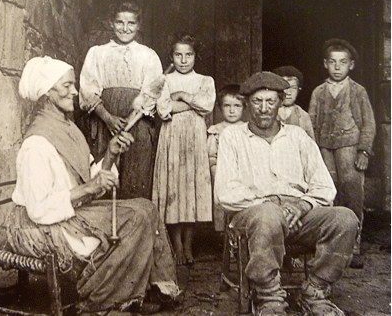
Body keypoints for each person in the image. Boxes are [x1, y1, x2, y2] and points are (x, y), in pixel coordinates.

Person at [0, 56, 179, 315]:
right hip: (41, 227)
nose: (74, 92)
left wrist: (111, 153)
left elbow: (87, 177)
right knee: (136, 219)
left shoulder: (67, 129)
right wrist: (89, 188)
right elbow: (39, 209)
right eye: (66, 86)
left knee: (146, 207)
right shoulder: (36, 143)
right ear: (47, 94)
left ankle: (157, 288)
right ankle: (99, 300)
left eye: (73, 85)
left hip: (67, 213)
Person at [214, 71, 359, 316]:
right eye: (257, 102)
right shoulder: (233, 137)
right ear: (247, 104)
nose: (264, 108)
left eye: (270, 101)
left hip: (298, 215)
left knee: (345, 219)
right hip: (253, 215)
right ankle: (268, 297)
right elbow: (225, 192)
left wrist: (302, 205)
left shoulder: (297, 136)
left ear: (281, 102)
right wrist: (270, 203)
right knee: (268, 215)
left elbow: (325, 187)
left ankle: (315, 290)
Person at [79, 0, 163, 200]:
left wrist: (130, 121)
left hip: (137, 124)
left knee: (135, 177)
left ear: (138, 25)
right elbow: (88, 91)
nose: (125, 28)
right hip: (104, 122)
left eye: (131, 23)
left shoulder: (148, 55)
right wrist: (108, 118)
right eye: (119, 22)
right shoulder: (97, 53)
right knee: (104, 175)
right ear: (111, 22)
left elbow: (151, 94)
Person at [308, 39, 376, 269]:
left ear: (351, 65)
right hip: (324, 148)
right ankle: (328, 249)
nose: (337, 67)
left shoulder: (357, 91)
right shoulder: (318, 92)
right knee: (327, 193)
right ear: (325, 64)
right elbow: (311, 124)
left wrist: (364, 151)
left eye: (343, 62)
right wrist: (313, 152)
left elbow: (368, 123)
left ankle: (353, 247)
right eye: (333, 62)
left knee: (352, 193)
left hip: (350, 148)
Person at [152, 33, 216, 265]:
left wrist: (180, 96)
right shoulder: (165, 80)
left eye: (188, 55)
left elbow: (206, 105)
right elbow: (163, 109)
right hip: (172, 138)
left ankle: (188, 244)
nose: (183, 60)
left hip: (195, 139)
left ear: (195, 57)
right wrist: (191, 102)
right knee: (174, 187)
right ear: (171, 56)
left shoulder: (205, 81)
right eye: (178, 55)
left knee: (190, 189)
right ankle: (176, 245)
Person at [207, 84, 245, 232]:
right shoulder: (216, 131)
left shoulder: (246, 129)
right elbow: (211, 156)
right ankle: (222, 235)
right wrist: (216, 172)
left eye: (237, 106)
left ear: (244, 107)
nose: (232, 110)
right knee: (222, 203)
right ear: (220, 107)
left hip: (242, 174)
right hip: (221, 174)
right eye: (227, 106)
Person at [272, 65, 315, 140]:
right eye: (284, 88)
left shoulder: (303, 116)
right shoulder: (269, 111)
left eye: (293, 88)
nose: (288, 92)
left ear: (299, 89)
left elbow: (311, 142)